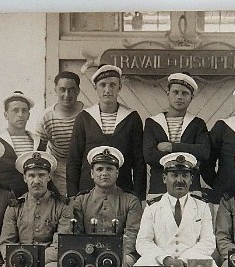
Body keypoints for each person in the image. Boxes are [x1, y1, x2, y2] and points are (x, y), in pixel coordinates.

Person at [135, 152, 219, 267]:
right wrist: (166, 259)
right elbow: (143, 242)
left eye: (184, 175)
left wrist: (184, 260)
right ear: (164, 178)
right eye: (174, 175)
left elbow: (208, 242)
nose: (180, 180)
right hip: (162, 262)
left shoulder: (202, 206)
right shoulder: (152, 207)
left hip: (192, 261)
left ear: (191, 179)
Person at [66, 65, 146, 200]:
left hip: (123, 192)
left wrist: (139, 197)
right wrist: (73, 196)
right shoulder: (84, 117)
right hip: (88, 192)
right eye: (102, 85)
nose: (107, 90)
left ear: (119, 87)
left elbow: (139, 162)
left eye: (112, 85)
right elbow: (74, 160)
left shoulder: (131, 117)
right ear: (95, 88)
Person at [0, 150, 72, 267]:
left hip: (49, 262)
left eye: (41, 175)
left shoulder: (62, 206)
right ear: (24, 178)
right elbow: (6, 243)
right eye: (31, 175)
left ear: (49, 177)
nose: (36, 181)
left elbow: (60, 245)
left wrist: (33, 261)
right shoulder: (15, 207)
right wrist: (21, 259)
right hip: (19, 260)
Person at [69, 146, 143, 267]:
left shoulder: (130, 200)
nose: (104, 173)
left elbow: (132, 234)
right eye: (99, 169)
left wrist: (111, 254)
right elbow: (76, 234)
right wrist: (90, 253)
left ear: (117, 173)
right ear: (92, 174)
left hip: (122, 253)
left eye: (109, 169)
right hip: (88, 252)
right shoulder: (80, 201)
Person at [143, 72, 209, 199]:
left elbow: (203, 152)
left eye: (185, 93)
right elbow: (149, 156)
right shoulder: (152, 122)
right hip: (159, 189)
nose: (179, 97)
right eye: (175, 92)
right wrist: (188, 156)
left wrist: (172, 147)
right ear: (168, 94)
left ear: (191, 97)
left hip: (191, 190)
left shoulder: (197, 123)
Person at [35, 71, 85, 196]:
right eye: (62, 89)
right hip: (59, 168)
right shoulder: (46, 117)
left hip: (84, 166)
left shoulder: (88, 114)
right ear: (55, 90)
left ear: (78, 91)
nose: (67, 94)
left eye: (71, 90)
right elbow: (40, 149)